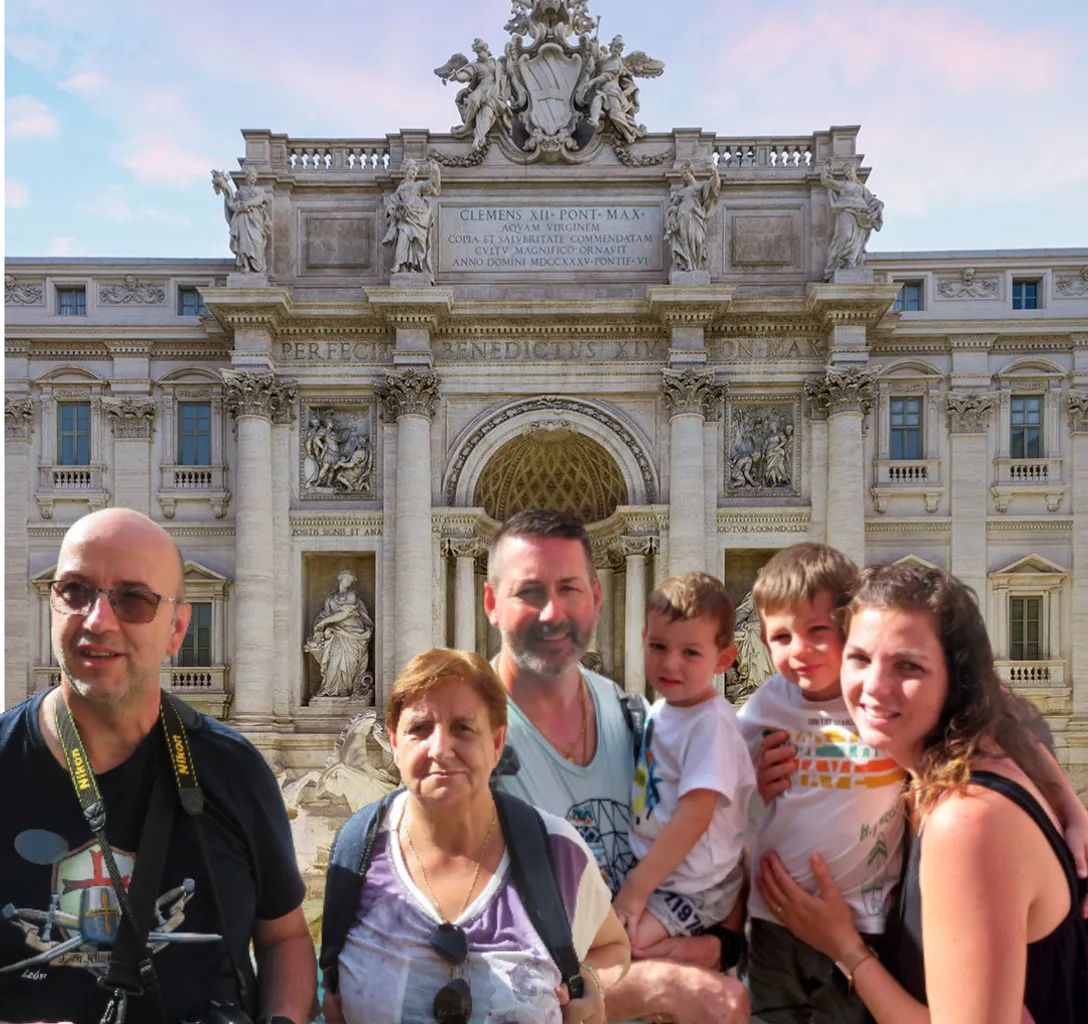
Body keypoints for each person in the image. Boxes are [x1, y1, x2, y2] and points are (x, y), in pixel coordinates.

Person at [0, 508, 315, 1024]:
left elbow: (285, 939)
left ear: (177, 629)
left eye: (133, 599)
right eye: (75, 590)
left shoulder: (235, 771)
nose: (97, 620)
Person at [757, 561, 1088, 1022]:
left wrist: (843, 947)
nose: (874, 687)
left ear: (956, 680)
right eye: (859, 658)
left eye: (908, 666)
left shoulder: (968, 820)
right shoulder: (968, 758)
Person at [484, 509, 751, 1024]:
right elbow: (472, 960)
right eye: (529, 592)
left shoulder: (640, 717)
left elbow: (715, 832)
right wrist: (653, 985)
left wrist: (720, 941)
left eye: (569, 589)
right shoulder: (464, 742)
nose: (551, 613)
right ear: (492, 603)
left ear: (597, 599)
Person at [322, 648, 628, 1024]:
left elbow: (612, 946)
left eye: (463, 727)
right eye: (419, 729)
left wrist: (593, 984)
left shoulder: (557, 849)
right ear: (394, 743)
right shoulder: (354, 854)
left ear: (498, 742)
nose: (440, 749)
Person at [737, 542, 907, 1024]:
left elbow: (992, 718)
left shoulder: (881, 702)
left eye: (818, 631)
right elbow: (723, 775)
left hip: (861, 925)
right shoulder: (768, 702)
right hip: (772, 922)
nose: (800, 651)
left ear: (849, 625)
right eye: (781, 637)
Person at [613, 573, 755, 951]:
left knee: (622, 947)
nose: (670, 664)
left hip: (695, 889)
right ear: (643, 642)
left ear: (724, 659)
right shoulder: (662, 710)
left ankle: (690, 966)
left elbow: (695, 816)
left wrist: (635, 889)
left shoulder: (711, 724)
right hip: (664, 877)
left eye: (690, 652)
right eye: (659, 646)